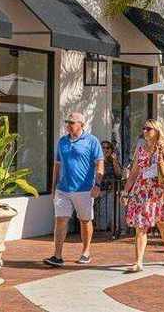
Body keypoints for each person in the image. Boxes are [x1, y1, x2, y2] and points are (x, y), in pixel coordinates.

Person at [44, 113, 104, 267]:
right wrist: (53, 187)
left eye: (72, 122)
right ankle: (57, 255)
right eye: (67, 122)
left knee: (85, 220)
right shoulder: (62, 141)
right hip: (63, 189)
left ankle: (86, 252)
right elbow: (57, 165)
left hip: (84, 189)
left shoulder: (92, 141)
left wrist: (97, 184)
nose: (68, 125)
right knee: (60, 220)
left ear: (81, 124)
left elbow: (99, 164)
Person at [122, 119, 164, 272]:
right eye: (144, 128)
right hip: (142, 190)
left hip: (160, 190)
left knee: (163, 224)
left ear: (157, 131)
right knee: (141, 226)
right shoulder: (140, 149)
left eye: (148, 129)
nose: (145, 131)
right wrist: (126, 191)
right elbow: (134, 173)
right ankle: (139, 261)